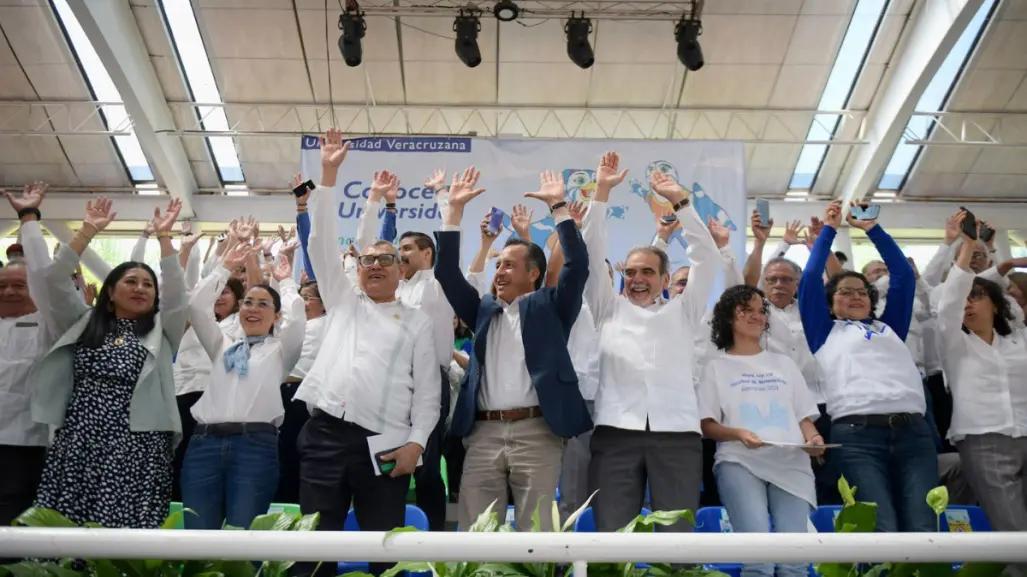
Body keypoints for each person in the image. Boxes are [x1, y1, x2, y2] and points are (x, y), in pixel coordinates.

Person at [293, 128, 439, 577]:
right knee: (314, 547)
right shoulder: (342, 299)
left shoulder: (416, 319)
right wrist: (329, 174)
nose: (374, 265)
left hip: (385, 445)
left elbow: (428, 395)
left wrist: (416, 444)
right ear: (356, 269)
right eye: (367, 260)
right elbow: (319, 243)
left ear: (402, 270)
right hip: (324, 437)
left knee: (383, 549)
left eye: (385, 260)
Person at [433, 166, 592, 531]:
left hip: (538, 431)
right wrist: (453, 212)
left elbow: (578, 265)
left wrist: (559, 208)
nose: (500, 272)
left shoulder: (552, 307)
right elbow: (446, 273)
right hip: (484, 434)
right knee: (476, 531)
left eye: (509, 265)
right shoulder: (483, 309)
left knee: (535, 534)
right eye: (498, 265)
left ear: (533, 274)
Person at [28, 196, 187, 529]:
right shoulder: (82, 321)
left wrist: (164, 239)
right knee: (70, 523)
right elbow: (53, 281)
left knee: (127, 528)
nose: (141, 288)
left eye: (148, 285)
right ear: (110, 291)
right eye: (130, 282)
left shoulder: (162, 330)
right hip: (80, 440)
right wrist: (86, 232)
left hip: (140, 445)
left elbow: (176, 293)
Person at [582, 153, 718, 533]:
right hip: (614, 434)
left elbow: (706, 257)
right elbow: (592, 254)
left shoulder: (685, 311)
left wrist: (681, 202)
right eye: (630, 272)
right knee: (611, 534)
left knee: (677, 540)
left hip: (678, 436)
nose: (637, 279)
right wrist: (602, 193)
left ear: (665, 277)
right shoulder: (607, 308)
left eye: (647, 272)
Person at [799, 199, 937, 532]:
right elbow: (808, 281)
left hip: (914, 434)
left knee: (924, 526)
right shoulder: (825, 332)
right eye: (845, 292)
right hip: (858, 437)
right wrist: (829, 230)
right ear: (830, 303)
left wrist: (872, 229)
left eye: (862, 292)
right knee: (880, 527)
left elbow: (902, 273)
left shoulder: (891, 328)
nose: (856, 296)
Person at [699, 285, 823, 577]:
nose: (756, 317)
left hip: (791, 464)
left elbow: (803, 417)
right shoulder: (715, 367)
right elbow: (706, 425)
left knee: (795, 562)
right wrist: (738, 434)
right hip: (739, 462)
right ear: (728, 317)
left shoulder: (784, 364)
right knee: (759, 560)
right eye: (746, 311)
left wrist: (814, 438)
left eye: (760, 311)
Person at [181, 242, 305, 530]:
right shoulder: (222, 345)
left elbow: (297, 319)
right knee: (198, 536)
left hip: (255, 447)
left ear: (276, 316)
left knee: (244, 536)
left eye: (264, 305)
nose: (254, 308)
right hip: (204, 445)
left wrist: (285, 280)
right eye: (248, 302)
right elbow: (198, 306)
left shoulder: (281, 351)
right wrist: (223, 269)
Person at [935, 214, 1027, 571]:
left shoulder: (1018, 340)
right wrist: (968, 245)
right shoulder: (954, 342)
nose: (968, 303)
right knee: (1012, 526)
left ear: (995, 303)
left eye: (978, 296)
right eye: (965, 298)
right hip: (982, 438)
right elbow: (948, 303)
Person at [0, 183, 57, 531]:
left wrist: (29, 218)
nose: (8, 291)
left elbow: (43, 274)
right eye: (2, 286)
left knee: (12, 522)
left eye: (18, 286)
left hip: (25, 442)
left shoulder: (47, 323)